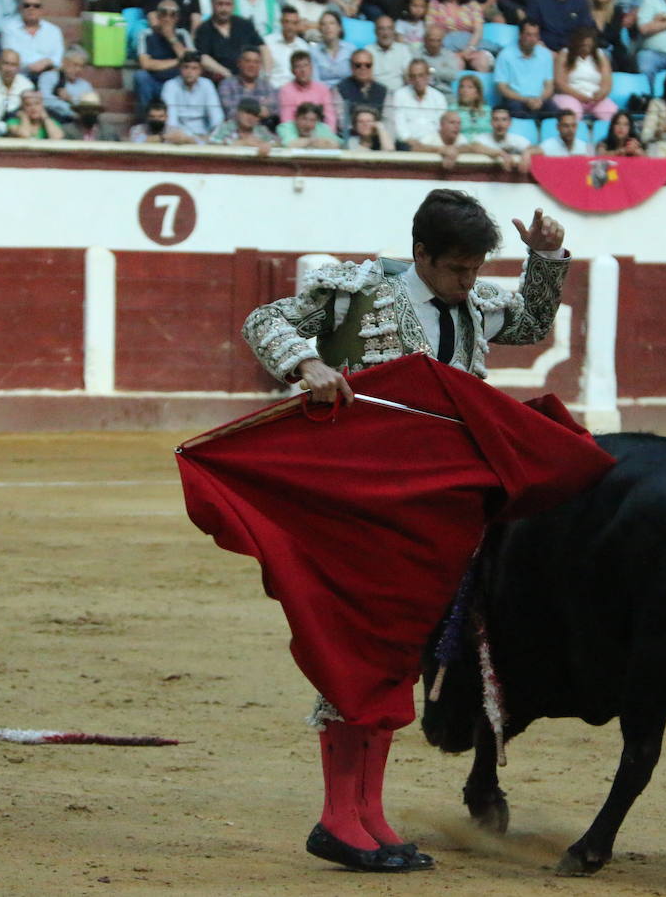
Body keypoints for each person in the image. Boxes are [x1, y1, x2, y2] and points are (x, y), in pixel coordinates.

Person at [237, 191, 569, 873]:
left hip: (434, 511)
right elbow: (263, 318)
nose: (468, 281)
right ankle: (337, 817)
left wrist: (544, 259)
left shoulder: (475, 304)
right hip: (355, 502)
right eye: (455, 269)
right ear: (420, 254)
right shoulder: (356, 293)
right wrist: (308, 365)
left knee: (397, 652)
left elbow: (533, 319)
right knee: (355, 648)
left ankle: (369, 813)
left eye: (475, 268)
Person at [194, 0, 265, 83]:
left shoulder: (244, 25)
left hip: (250, 78)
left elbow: (262, 47)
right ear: (212, 5)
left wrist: (265, 73)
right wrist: (228, 74)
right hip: (220, 79)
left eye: (228, 4)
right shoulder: (204, 29)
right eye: (220, 4)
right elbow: (203, 58)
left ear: (233, 6)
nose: (224, 9)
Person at [135, 0, 194, 110]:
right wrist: (177, 61)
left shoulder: (183, 34)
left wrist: (171, 38)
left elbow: (189, 61)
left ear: (177, 18)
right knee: (141, 76)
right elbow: (145, 64)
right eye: (164, 14)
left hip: (177, 81)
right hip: (155, 81)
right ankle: (147, 120)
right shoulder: (146, 34)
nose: (167, 19)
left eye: (172, 15)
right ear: (158, 16)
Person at [552, 25, 616, 122]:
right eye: (583, 46)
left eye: (589, 46)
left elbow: (607, 83)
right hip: (570, 96)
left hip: (595, 99)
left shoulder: (600, 55)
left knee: (613, 115)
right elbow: (559, 83)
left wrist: (601, 94)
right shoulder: (565, 54)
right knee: (573, 115)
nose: (586, 49)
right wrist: (580, 97)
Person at [496, 20, 556, 120]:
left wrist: (539, 99)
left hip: (540, 99)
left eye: (535, 35)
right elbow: (502, 88)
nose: (532, 39)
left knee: (556, 114)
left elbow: (549, 86)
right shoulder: (505, 55)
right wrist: (526, 100)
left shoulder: (546, 55)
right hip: (516, 99)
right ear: (520, 35)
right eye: (529, 35)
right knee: (517, 111)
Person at [0, 0, 62, 79]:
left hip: (48, 75)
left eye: (36, 6)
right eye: (27, 5)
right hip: (19, 77)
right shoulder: (9, 29)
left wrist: (47, 62)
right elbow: (8, 58)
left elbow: (58, 58)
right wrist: (32, 66)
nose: (31, 9)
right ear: (21, 8)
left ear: (41, 9)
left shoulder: (54, 31)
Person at [386, 57, 445, 145]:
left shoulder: (438, 97)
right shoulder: (400, 95)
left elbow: (441, 126)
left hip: (434, 144)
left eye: (421, 75)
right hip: (408, 144)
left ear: (428, 76)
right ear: (409, 78)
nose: (417, 80)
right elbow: (399, 124)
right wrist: (409, 140)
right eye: (413, 76)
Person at [162, 50, 221, 137]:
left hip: (204, 132)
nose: (189, 72)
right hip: (178, 133)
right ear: (180, 69)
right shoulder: (170, 85)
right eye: (186, 67)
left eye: (194, 68)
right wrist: (176, 134)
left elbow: (216, 114)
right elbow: (171, 117)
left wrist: (213, 135)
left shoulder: (207, 84)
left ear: (201, 71)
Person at [529, 0, 593, 53]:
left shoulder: (581, 2)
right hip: (543, 51)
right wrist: (546, 52)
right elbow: (531, 26)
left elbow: (586, 31)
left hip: (572, 54)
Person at [220, 46, 279, 124]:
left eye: (256, 62)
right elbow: (231, 113)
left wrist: (245, 112)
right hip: (236, 130)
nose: (252, 65)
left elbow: (274, 112)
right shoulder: (227, 85)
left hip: (263, 131)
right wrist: (258, 110)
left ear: (260, 66)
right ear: (239, 63)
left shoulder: (267, 86)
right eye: (248, 61)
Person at [278, 50, 339, 124]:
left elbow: (330, 118)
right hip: (296, 133)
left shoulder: (323, 89)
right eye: (298, 67)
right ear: (292, 71)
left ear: (311, 68)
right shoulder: (286, 91)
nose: (303, 70)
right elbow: (286, 121)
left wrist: (328, 134)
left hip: (321, 132)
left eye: (305, 65)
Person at [37, 44, 93, 121]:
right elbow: (44, 100)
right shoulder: (49, 77)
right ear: (64, 62)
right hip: (54, 119)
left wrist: (71, 99)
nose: (78, 69)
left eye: (82, 66)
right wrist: (69, 108)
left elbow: (90, 107)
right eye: (75, 65)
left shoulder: (85, 85)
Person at [472, 105, 532, 169]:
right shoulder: (482, 138)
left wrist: (527, 153)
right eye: (496, 119)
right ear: (491, 122)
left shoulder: (517, 139)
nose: (500, 124)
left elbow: (537, 149)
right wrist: (501, 153)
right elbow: (474, 147)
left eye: (504, 119)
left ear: (510, 123)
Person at [265, 6, 311, 88]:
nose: (290, 27)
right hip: (272, 90)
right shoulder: (268, 42)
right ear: (281, 22)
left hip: (296, 91)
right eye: (287, 22)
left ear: (298, 24)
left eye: (294, 23)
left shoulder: (303, 46)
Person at [211, 95, 279, 148]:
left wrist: (263, 144)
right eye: (247, 112)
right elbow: (212, 142)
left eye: (254, 114)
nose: (250, 118)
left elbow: (278, 143)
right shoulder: (226, 127)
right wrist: (243, 143)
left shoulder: (261, 130)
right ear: (238, 113)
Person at [368, 14, 413, 91]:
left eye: (389, 28)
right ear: (375, 32)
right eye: (381, 29)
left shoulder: (403, 49)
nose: (386, 33)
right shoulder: (368, 51)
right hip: (376, 95)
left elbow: (408, 75)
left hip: (399, 95)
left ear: (394, 31)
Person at [129, 96, 202, 142]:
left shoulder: (173, 130)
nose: (156, 120)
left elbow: (200, 143)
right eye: (152, 117)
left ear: (166, 117)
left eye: (160, 117)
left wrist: (185, 139)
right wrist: (164, 137)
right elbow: (138, 142)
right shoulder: (138, 129)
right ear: (147, 117)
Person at [311, 10, 355, 85]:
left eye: (332, 23)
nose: (328, 27)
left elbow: (355, 77)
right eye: (323, 24)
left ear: (339, 27)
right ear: (320, 29)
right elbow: (315, 82)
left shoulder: (351, 49)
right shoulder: (313, 52)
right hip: (323, 93)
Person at [416, 23, 463, 94]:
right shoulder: (417, 54)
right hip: (422, 92)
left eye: (438, 40)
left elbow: (454, 75)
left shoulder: (449, 55)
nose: (435, 44)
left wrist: (433, 70)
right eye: (432, 40)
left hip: (444, 93)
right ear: (425, 40)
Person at [276, 99, 341, 145]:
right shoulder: (285, 127)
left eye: (312, 120)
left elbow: (337, 144)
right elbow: (289, 144)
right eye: (304, 119)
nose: (308, 124)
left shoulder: (322, 127)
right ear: (296, 118)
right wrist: (313, 141)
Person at [452, 71, 490, 137]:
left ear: (478, 92)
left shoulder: (487, 110)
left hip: (484, 145)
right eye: (462, 87)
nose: (464, 90)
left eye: (470, 87)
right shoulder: (452, 109)